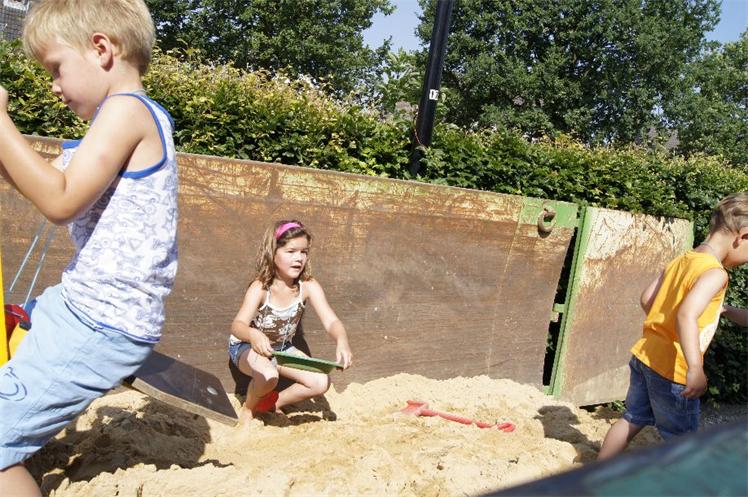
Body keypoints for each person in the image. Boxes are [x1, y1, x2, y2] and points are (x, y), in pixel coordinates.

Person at [0, 1, 178, 494]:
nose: (53, 86)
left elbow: (59, 202)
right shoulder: (123, 119)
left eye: (56, 68)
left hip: (101, 321)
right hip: (80, 307)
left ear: (101, 49)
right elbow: (45, 185)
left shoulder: (126, 112)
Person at [597, 193, 748, 461]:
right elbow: (687, 314)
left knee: (631, 418)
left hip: (646, 356)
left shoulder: (684, 259)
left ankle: (596, 472)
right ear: (743, 237)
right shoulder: (715, 273)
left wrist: (671, 323)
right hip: (674, 369)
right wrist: (695, 367)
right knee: (683, 441)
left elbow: (647, 299)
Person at [229, 220, 353, 425]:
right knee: (268, 375)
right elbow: (237, 325)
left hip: (281, 349)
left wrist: (342, 340)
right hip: (247, 347)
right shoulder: (261, 287)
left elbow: (331, 321)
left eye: (304, 252)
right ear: (273, 252)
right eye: (291, 251)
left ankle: (272, 404)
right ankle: (248, 410)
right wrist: (253, 334)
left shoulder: (308, 286)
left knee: (321, 381)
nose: (299, 258)